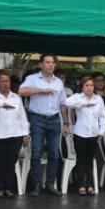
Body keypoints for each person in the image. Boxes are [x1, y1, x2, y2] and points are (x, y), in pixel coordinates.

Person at [19, 54, 69, 197]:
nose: (50, 65)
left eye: (52, 63)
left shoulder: (58, 82)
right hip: (37, 119)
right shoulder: (33, 79)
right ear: (41, 64)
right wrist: (41, 90)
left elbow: (63, 104)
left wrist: (65, 123)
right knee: (36, 153)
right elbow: (21, 91)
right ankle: (36, 185)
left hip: (54, 120)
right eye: (47, 62)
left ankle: (50, 184)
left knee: (54, 154)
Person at [0, 70, 30, 198]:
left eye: (7, 81)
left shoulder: (16, 97)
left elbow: (22, 118)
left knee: (10, 163)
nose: (6, 84)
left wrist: (25, 134)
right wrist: (1, 103)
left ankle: (9, 188)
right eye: (2, 81)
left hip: (15, 135)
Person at [65, 76, 105, 196]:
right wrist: (84, 103)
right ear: (82, 87)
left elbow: (103, 117)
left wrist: (101, 131)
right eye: (87, 85)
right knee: (81, 160)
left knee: (90, 160)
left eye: (91, 85)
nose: (89, 88)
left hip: (94, 134)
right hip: (80, 133)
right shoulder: (77, 97)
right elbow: (67, 102)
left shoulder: (98, 99)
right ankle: (81, 185)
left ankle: (90, 184)